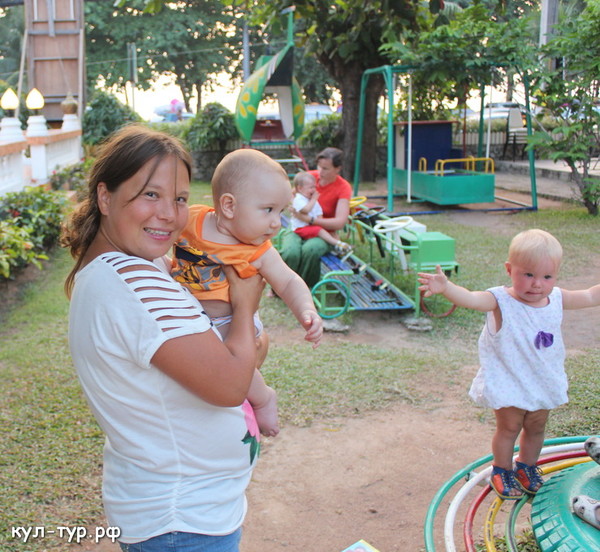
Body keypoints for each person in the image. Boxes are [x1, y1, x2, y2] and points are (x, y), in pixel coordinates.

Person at [61, 124, 266, 552]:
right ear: (105, 196)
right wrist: (245, 306)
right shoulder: (136, 280)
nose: (170, 215)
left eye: (179, 199)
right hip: (182, 521)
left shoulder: (120, 270)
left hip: (171, 508)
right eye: (150, 195)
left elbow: (232, 364)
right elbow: (231, 383)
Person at [418, 229, 600, 500]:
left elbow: (588, 296)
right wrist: (447, 288)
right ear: (509, 269)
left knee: (537, 427)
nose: (537, 284)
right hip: (510, 380)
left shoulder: (557, 298)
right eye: (528, 274)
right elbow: (472, 299)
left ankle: (527, 466)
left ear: (555, 276)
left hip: (542, 381)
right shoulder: (500, 300)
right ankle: (501, 469)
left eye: (546, 277)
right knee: (509, 428)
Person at [170, 149, 323, 436]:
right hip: (191, 318)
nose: (277, 222)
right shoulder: (191, 219)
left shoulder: (259, 251)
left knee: (229, 363)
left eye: (280, 211)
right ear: (228, 206)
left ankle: (263, 398)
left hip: (229, 324)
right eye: (268, 210)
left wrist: (306, 310)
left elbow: (288, 281)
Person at [280, 147, 352, 289]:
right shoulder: (310, 178)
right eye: (319, 166)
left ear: (338, 169)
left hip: (323, 231)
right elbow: (290, 194)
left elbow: (340, 222)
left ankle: (304, 288)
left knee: (310, 251)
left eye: (325, 168)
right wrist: (294, 205)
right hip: (298, 226)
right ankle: (280, 288)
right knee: (290, 252)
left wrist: (311, 220)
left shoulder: (343, 187)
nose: (320, 172)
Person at [291, 170, 352, 256]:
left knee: (321, 232)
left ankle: (337, 246)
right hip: (301, 227)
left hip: (310, 225)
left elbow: (319, 214)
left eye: (314, 187)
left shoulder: (313, 200)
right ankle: (337, 244)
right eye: (311, 188)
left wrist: (325, 227)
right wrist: (313, 200)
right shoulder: (300, 199)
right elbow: (305, 210)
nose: (314, 190)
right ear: (300, 189)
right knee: (319, 231)